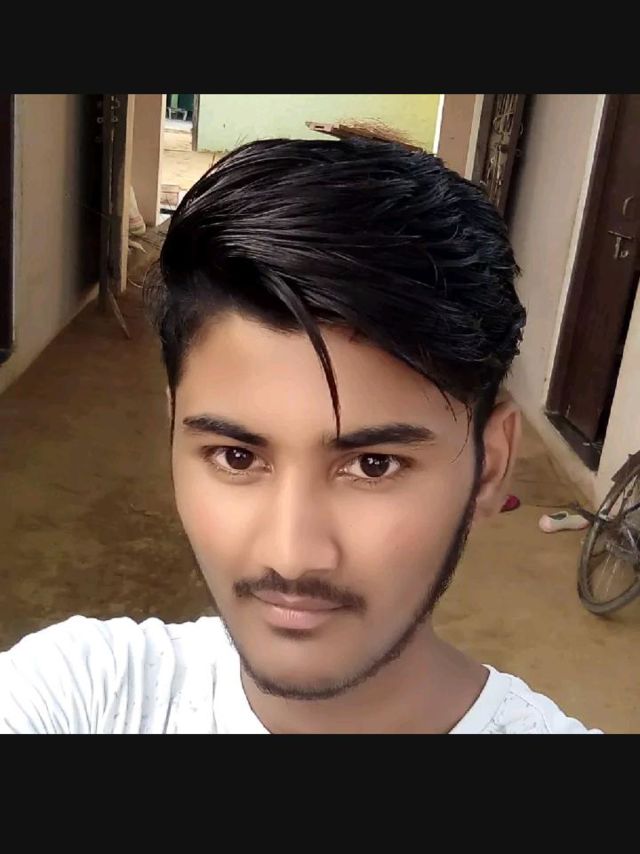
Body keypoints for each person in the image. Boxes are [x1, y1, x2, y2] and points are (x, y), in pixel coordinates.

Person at [0, 134, 601, 734]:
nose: (290, 556)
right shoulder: (81, 693)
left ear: (490, 466)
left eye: (373, 465)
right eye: (236, 457)